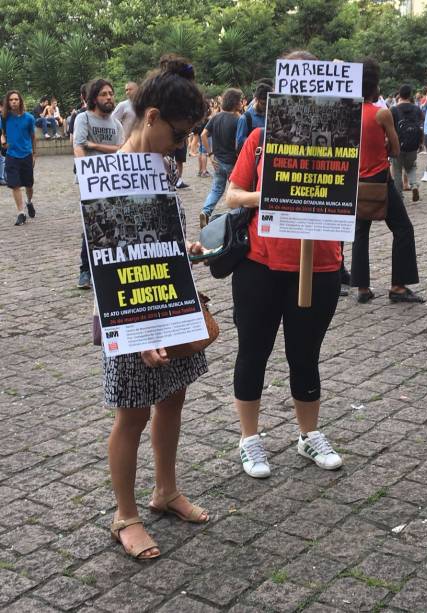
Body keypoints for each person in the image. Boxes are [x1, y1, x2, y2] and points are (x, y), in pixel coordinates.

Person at [103, 56, 209, 560]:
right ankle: (125, 516)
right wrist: (140, 332)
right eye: (180, 131)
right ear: (151, 117)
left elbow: (157, 235)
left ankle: (165, 491)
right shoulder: (107, 174)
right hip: (128, 307)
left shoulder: (164, 168)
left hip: (173, 298)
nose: (183, 143)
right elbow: (106, 260)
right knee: (132, 413)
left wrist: (182, 245)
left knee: (173, 398)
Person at [225, 51, 343, 480]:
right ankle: (249, 438)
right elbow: (233, 196)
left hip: (321, 265)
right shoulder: (258, 142)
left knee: (305, 354)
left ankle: (308, 434)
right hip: (260, 264)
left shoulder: (340, 142)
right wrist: (273, 195)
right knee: (253, 352)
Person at [351, 59, 423, 305]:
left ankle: (362, 287)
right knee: (403, 228)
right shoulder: (381, 113)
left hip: (355, 183)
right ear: (375, 87)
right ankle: (398, 286)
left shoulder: (347, 113)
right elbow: (395, 148)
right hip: (379, 180)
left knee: (360, 234)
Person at [73, 79, 124, 289]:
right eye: (104, 94)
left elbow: (122, 148)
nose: (109, 97)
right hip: (93, 181)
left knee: (114, 224)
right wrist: (86, 174)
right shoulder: (83, 118)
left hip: (113, 180)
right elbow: (79, 146)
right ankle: (85, 270)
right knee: (93, 225)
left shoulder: (117, 124)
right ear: (95, 98)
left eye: (111, 93)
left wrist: (95, 145)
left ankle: (107, 268)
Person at [199, 88, 243, 228]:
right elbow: (239, 143)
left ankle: (206, 211)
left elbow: (203, 134)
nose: (242, 103)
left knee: (217, 189)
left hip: (217, 160)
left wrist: (210, 154)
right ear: (235, 103)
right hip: (232, 162)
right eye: (240, 101)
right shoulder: (238, 120)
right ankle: (236, 217)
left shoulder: (216, 117)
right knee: (235, 191)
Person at [0, 90, 36, 226]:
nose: (14, 101)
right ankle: (21, 212)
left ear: (20, 101)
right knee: (15, 184)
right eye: (11, 100)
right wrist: (3, 142)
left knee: (29, 184)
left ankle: (29, 202)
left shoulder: (29, 118)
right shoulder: (4, 118)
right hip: (11, 155)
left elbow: (33, 137)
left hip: (26, 154)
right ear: (7, 102)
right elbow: (2, 134)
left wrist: (34, 154)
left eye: (16, 99)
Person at [390, 84, 423, 202]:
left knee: (397, 170)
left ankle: (399, 197)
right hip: (412, 145)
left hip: (397, 144)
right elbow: (420, 127)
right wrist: (420, 143)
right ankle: (414, 185)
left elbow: (390, 128)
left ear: (399, 94)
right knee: (411, 167)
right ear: (410, 95)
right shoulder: (416, 109)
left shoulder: (393, 109)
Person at [235, 82, 272, 153]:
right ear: (256, 99)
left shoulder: (270, 115)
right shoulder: (245, 118)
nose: (266, 107)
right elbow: (239, 143)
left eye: (268, 104)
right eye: (263, 104)